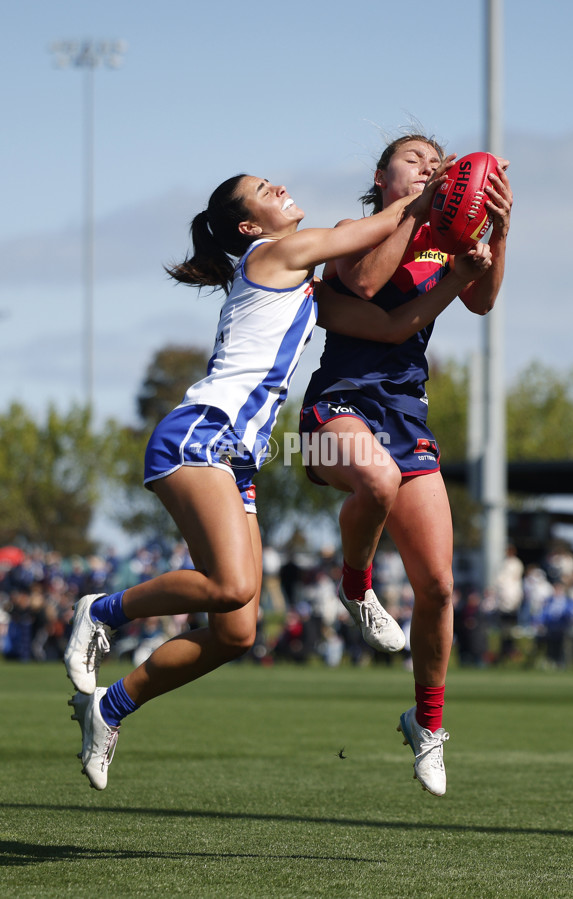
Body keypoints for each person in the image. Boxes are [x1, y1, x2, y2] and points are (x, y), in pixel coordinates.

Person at [64, 167, 493, 790]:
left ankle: (110, 707)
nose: (280, 189)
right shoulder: (276, 252)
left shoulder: (301, 284)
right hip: (200, 434)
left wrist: (458, 278)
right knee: (229, 582)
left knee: (237, 629)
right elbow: (374, 230)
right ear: (249, 227)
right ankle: (101, 611)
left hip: (235, 457)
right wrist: (427, 200)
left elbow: (392, 327)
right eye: (264, 191)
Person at [299, 133, 513, 795]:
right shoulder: (349, 232)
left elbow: (482, 300)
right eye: (414, 157)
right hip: (335, 409)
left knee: (441, 588)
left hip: (406, 414)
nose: (429, 165)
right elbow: (364, 283)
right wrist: (422, 212)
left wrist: (496, 235)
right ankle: (356, 583)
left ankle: (427, 725)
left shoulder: (438, 239)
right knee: (377, 478)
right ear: (381, 173)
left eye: (436, 162)